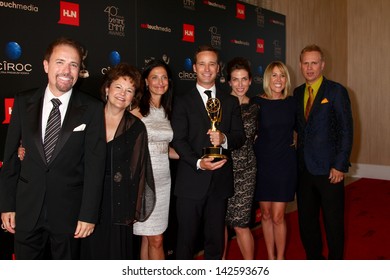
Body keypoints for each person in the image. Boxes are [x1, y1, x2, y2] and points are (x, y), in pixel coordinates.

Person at [0, 37, 106, 259]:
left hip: (69, 213)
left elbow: (95, 166)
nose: (67, 70)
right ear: (46, 65)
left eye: (74, 65)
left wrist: (88, 214)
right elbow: (10, 158)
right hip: (26, 209)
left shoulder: (93, 108)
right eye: (60, 62)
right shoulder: (22, 101)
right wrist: (7, 205)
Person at [171, 45, 245, 260]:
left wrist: (224, 138)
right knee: (185, 241)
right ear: (194, 67)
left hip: (219, 183)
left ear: (218, 68)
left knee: (215, 241)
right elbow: (179, 140)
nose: (206, 68)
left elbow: (239, 137)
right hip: (190, 182)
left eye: (211, 63)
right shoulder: (182, 101)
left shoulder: (230, 101)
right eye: (202, 63)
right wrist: (198, 163)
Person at [80, 62, 156, 259]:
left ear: (133, 97)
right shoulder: (87, 117)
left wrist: (130, 211)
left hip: (118, 203)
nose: (123, 93)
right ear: (107, 89)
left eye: (129, 90)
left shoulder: (136, 128)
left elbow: (138, 172)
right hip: (86, 198)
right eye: (118, 87)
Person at [294, 44, 353, 260]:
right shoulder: (298, 92)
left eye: (314, 63)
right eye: (306, 63)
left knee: (333, 222)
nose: (309, 68)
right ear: (300, 65)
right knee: (307, 223)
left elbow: (346, 130)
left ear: (322, 65)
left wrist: (340, 164)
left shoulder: (336, 91)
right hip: (304, 171)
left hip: (330, 170)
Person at [132, 59, 178, 260]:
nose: (160, 82)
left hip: (163, 181)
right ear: (146, 81)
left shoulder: (166, 111)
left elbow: (165, 148)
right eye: (155, 77)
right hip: (144, 182)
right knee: (156, 239)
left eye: (164, 77)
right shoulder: (136, 109)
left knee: (148, 238)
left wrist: (195, 157)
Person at [252, 61, 297, 260]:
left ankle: (280, 260)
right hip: (262, 164)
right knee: (266, 214)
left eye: (282, 75)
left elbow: (302, 129)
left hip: (284, 164)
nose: (278, 80)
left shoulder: (292, 102)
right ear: (267, 79)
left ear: (287, 79)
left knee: (278, 215)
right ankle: (271, 258)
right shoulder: (256, 103)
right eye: (274, 75)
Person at [223, 57, 257, 260]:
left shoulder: (256, 107)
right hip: (222, 167)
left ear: (251, 80)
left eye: (244, 79)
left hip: (246, 169)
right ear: (229, 82)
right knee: (219, 222)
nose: (240, 84)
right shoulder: (219, 105)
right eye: (235, 80)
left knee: (240, 223)